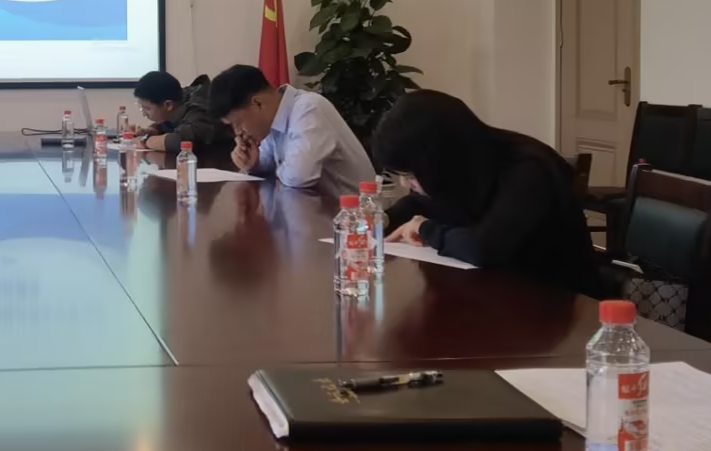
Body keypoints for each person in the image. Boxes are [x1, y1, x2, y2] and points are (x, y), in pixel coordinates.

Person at [372, 90, 600, 295]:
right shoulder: (468, 167)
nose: (405, 183)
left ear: (439, 160)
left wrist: (425, 229)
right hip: (496, 295)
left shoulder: (529, 170)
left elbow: (485, 248)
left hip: (555, 303)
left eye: (411, 175)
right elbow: (419, 203)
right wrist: (384, 219)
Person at [208, 64, 375, 195]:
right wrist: (254, 163)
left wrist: (279, 167)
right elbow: (270, 162)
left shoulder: (309, 109)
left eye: (237, 123)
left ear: (257, 103)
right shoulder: (274, 120)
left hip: (357, 219)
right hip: (324, 214)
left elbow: (299, 176)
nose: (237, 132)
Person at [127, 70, 232, 165]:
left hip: (222, 167)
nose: (144, 114)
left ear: (168, 105)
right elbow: (174, 123)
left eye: (147, 108)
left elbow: (182, 141)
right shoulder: (180, 98)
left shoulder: (200, 106)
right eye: (141, 107)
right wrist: (153, 130)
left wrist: (145, 141)